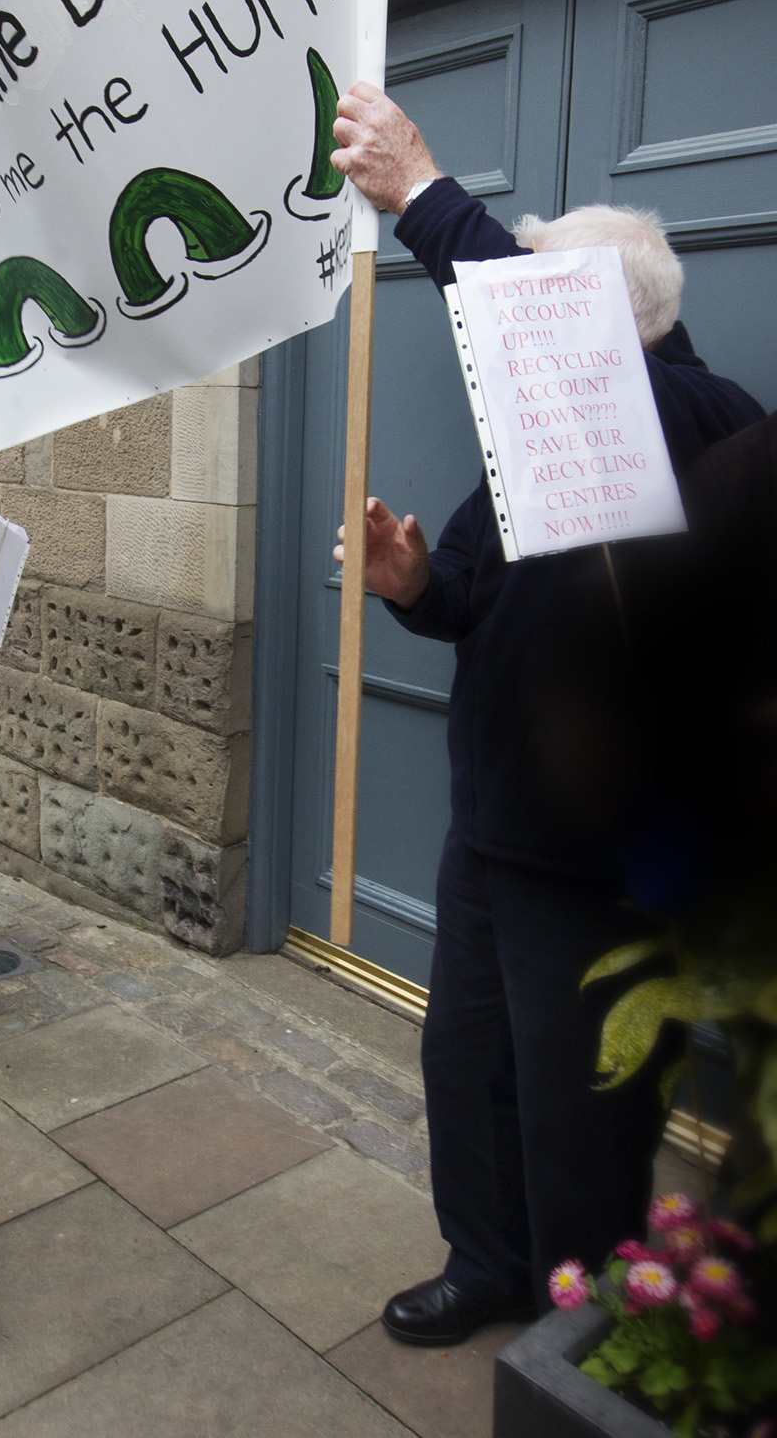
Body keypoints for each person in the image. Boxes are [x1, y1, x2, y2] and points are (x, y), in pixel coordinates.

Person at [328, 84, 764, 1346]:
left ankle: (579, 1342)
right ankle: (486, 1263)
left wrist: (418, 191)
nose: (511, 310)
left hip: (601, 863)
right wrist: (419, 586)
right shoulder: (545, 437)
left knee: (583, 1117)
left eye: (535, 289)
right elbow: (472, 591)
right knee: (465, 1068)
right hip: (492, 832)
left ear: (602, 325)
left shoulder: (701, 421)